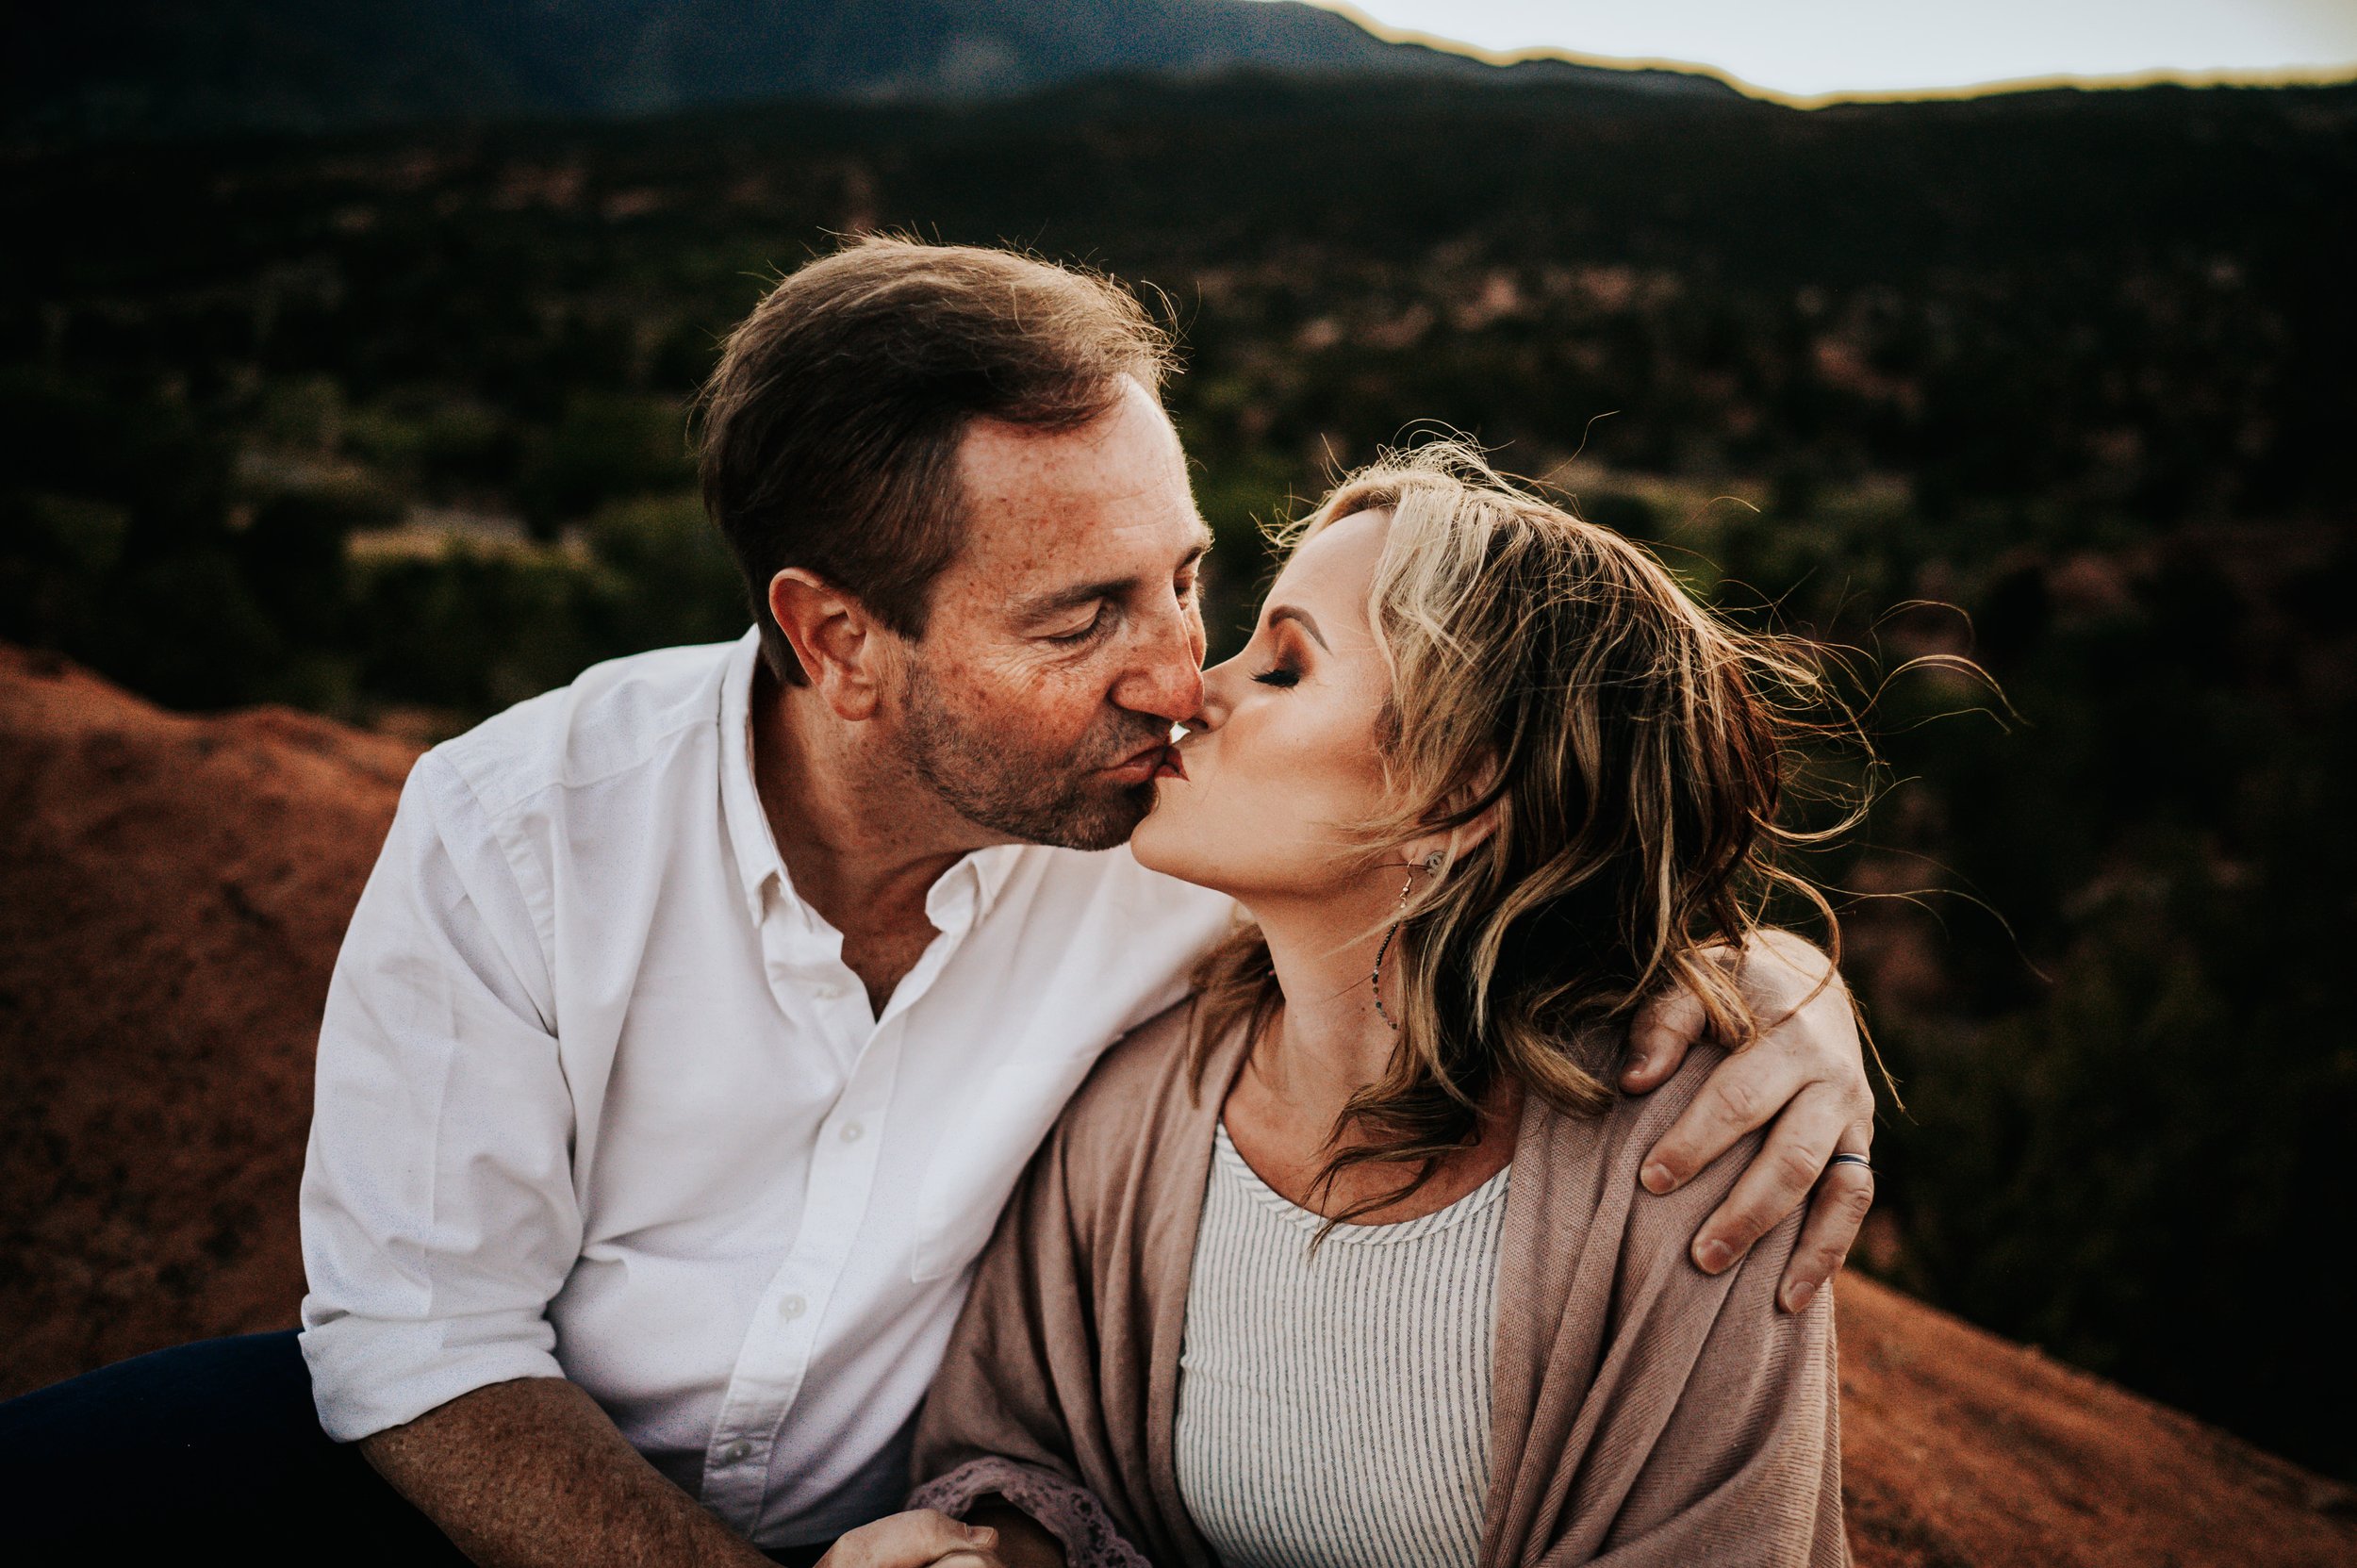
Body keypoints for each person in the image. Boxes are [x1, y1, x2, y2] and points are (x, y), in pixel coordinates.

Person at [0, 239, 1875, 1565]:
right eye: (1084, 617)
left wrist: (1789, 992)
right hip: (518, 1498)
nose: (1176, 675)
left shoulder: (1166, 843)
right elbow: (420, 1341)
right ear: (835, 637)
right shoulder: (518, 828)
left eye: (1192, 580)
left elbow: (1494, 834)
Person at [898, 445, 1858, 1567]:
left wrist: (1786, 980)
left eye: (1286, 667)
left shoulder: (1696, 1161)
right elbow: (1017, 1455)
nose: (1190, 691)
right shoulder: (1132, 1109)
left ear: (1458, 794)